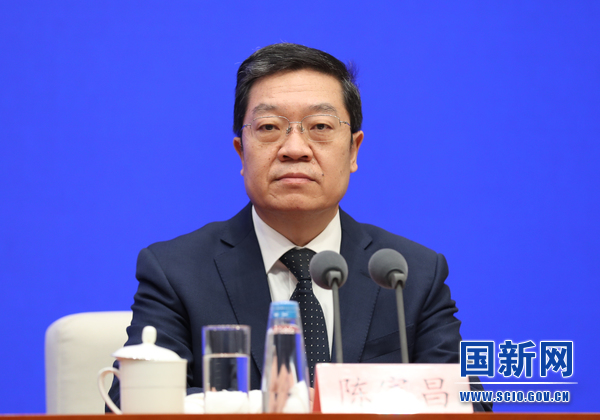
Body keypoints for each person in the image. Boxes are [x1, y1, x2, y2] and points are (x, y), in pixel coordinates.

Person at [108, 43, 491, 411]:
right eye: (269, 127)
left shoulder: (410, 274)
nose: (295, 148)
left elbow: (470, 403)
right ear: (241, 152)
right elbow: (129, 404)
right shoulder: (176, 270)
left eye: (320, 126)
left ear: (353, 150)